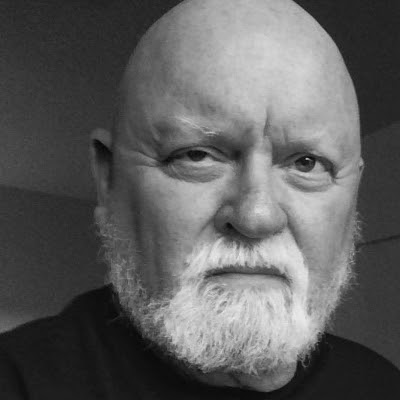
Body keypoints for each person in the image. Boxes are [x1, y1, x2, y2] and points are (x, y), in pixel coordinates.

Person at [1, 0, 399, 398]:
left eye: (307, 163)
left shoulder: (380, 385)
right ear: (109, 180)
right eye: (196, 156)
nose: (256, 216)